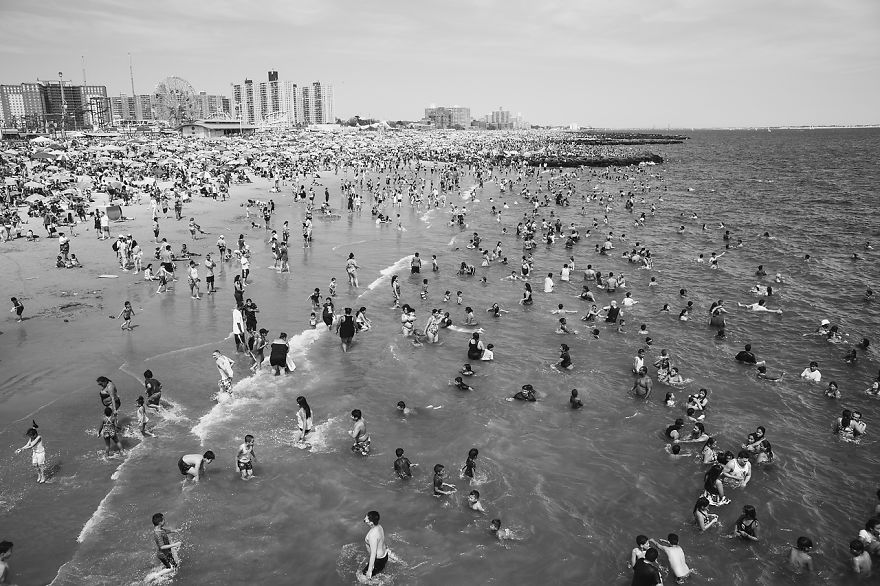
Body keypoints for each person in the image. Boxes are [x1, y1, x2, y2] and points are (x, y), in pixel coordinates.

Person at [361, 510, 387, 581]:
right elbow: (381, 542)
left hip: (378, 561)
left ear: (371, 523)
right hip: (385, 555)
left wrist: (369, 571)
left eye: (366, 518)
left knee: (363, 578)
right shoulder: (379, 527)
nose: (365, 519)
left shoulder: (372, 535)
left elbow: (373, 553)